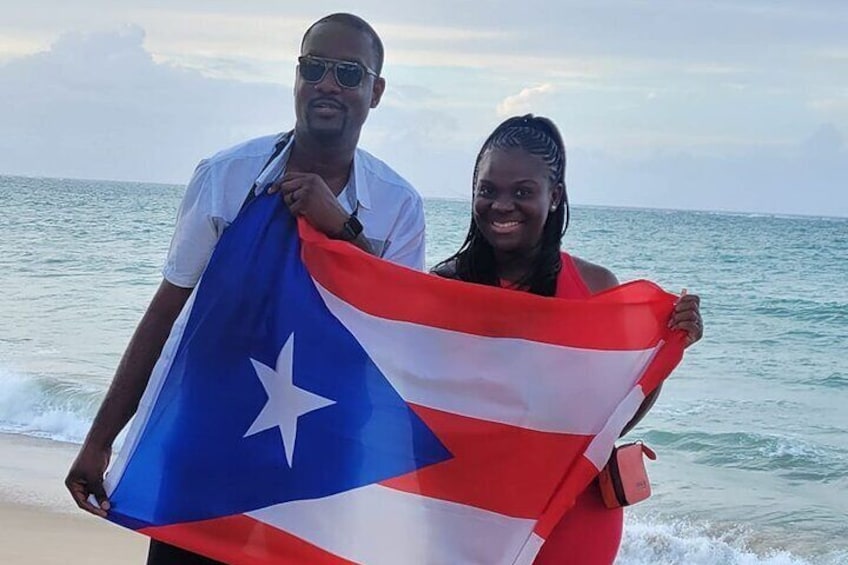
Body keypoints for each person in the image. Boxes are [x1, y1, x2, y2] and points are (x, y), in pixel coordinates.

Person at [64, 13, 425, 565]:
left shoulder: (398, 205)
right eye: (315, 67)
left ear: (375, 91)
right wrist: (99, 438)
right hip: (208, 436)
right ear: (296, 77)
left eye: (349, 73)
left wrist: (343, 230)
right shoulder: (229, 178)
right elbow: (166, 313)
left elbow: (397, 332)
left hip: (321, 452)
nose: (328, 83)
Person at [432, 114, 703, 564]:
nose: (502, 205)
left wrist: (664, 351)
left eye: (523, 191)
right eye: (488, 189)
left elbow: (618, 409)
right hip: (467, 513)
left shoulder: (595, 289)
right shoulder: (441, 289)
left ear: (554, 196)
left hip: (573, 512)